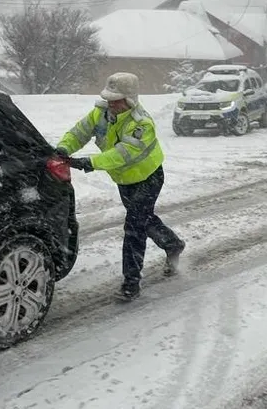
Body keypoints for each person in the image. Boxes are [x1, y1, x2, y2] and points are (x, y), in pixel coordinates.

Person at [56, 72, 186, 301]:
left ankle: (131, 283)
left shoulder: (141, 124)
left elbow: (121, 155)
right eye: (109, 98)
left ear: (130, 100)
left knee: (134, 227)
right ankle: (173, 244)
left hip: (148, 178)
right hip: (124, 181)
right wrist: (64, 149)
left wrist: (89, 162)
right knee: (143, 220)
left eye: (116, 99)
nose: (111, 103)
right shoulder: (100, 113)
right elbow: (79, 132)